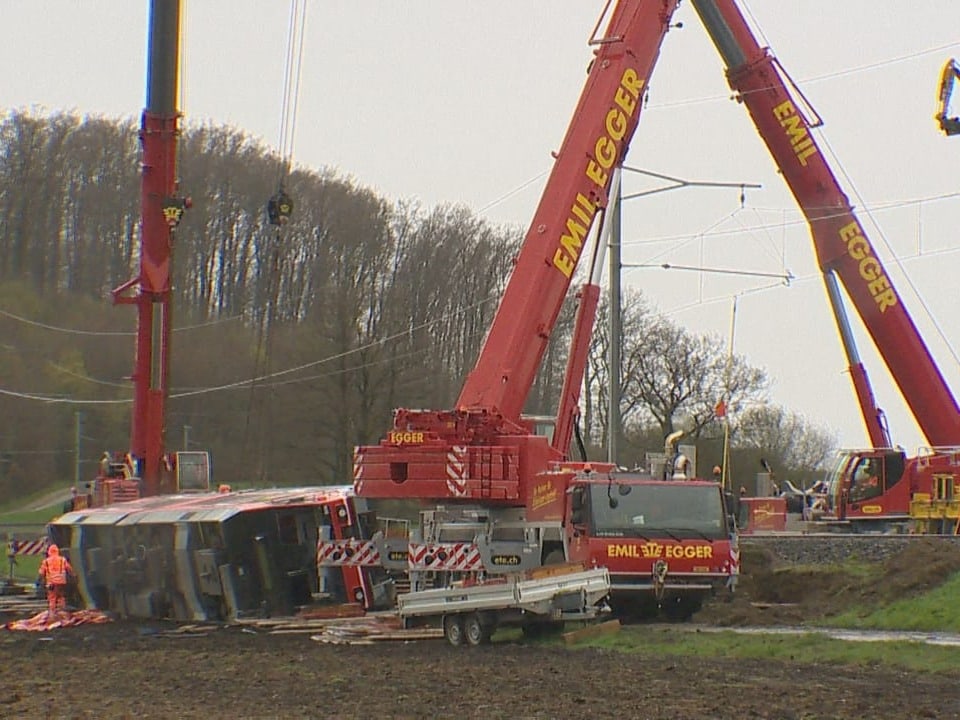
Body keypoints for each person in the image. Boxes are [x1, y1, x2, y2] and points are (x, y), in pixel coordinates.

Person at [38, 544, 73, 614]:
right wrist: (73, 575)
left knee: (52, 598)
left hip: (51, 583)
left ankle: (52, 613)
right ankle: (63, 612)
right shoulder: (62, 559)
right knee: (61, 596)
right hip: (61, 581)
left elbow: (41, 572)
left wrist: (41, 580)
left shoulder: (46, 561)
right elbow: (69, 569)